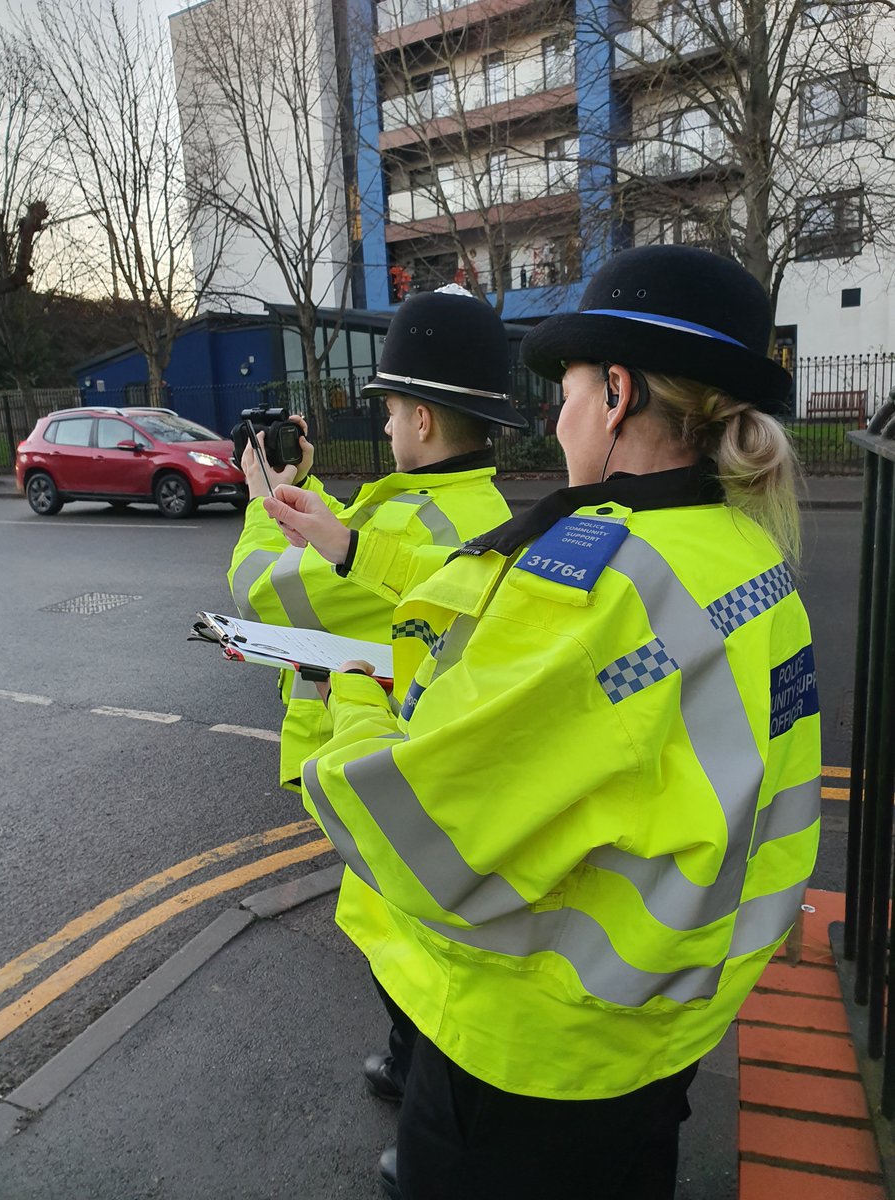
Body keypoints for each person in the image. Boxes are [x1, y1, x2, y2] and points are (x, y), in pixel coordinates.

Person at [264, 245, 821, 1200]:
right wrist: (355, 549)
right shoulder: (747, 554)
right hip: (669, 1028)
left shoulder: (599, 593)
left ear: (614, 394)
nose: (557, 415)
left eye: (565, 387)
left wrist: (349, 684)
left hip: (535, 1057)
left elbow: (414, 825)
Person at [229, 286, 526, 1102]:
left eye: (391, 410)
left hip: (384, 757)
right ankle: (413, 1068)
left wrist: (260, 496)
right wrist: (300, 494)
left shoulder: (417, 521)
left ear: (422, 420)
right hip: (426, 754)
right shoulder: (464, 504)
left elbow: (264, 586)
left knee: (408, 942)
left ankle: (417, 1087)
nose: (387, 425)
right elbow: (350, 548)